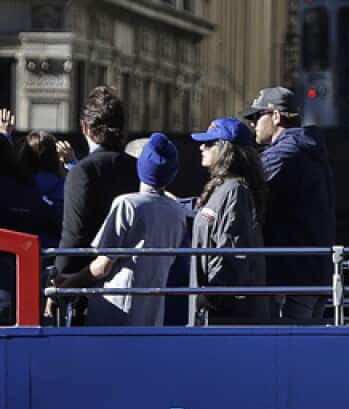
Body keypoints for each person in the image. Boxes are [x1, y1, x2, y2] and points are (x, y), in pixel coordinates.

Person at [54, 134, 188, 327]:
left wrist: (68, 284)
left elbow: (102, 267)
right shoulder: (177, 212)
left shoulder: (127, 204)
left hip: (114, 314)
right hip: (152, 314)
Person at [242, 86, 335, 321]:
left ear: (275, 116)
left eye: (256, 116)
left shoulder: (286, 153)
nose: (253, 123)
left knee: (288, 349)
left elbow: (242, 191)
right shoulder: (308, 148)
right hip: (313, 272)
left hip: (292, 275)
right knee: (305, 349)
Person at [51, 87, 138, 319]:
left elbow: (74, 236)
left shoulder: (83, 171)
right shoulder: (137, 169)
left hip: (87, 292)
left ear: (85, 128)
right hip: (135, 287)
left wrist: (57, 287)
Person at [190, 117, 270, 324]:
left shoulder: (236, 191)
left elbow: (234, 251)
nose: (202, 147)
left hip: (227, 314)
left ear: (226, 149)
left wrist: (212, 296)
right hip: (215, 310)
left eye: (209, 143)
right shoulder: (223, 188)